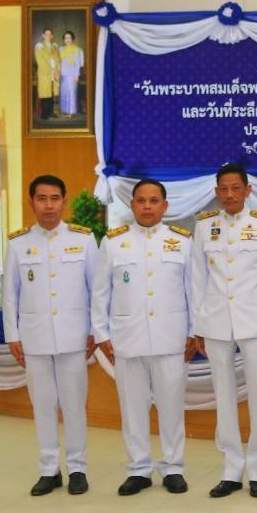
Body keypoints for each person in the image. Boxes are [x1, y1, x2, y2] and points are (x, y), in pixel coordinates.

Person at [91, 179, 197, 496]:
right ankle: (138, 469)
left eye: (154, 200)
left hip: (171, 338)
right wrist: (101, 333)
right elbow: (100, 293)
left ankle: (173, 467)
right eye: (141, 200)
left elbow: (194, 290)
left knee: (171, 406)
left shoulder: (182, 241)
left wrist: (193, 331)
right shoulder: (113, 243)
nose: (147, 206)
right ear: (132, 204)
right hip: (127, 338)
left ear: (165, 205)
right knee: (132, 408)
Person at [190, 164, 257, 498]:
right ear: (217, 192)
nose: (229, 195)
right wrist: (197, 326)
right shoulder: (204, 227)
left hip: (254, 322)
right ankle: (231, 469)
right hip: (215, 322)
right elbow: (196, 280)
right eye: (223, 189)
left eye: (235, 188)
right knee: (224, 397)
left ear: (247, 190)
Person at [2, 175, 98, 496]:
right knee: (42, 405)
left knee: (73, 405)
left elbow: (95, 290)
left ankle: (78, 468)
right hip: (34, 338)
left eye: (55, 198)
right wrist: (13, 335)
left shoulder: (84, 240)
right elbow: (10, 295)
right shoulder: (18, 243)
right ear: (32, 202)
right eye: (41, 198)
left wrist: (95, 330)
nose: (49, 205)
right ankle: (48, 469)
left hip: (74, 337)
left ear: (64, 201)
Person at [34, 27, 60, 120]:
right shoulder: (39, 46)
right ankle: (44, 115)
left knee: (52, 93)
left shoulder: (55, 47)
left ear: (52, 36)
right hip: (45, 73)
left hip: (54, 73)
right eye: (46, 34)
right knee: (45, 94)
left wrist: (56, 70)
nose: (48, 36)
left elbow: (58, 59)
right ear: (43, 36)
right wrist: (50, 70)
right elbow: (40, 61)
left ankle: (51, 112)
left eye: (50, 34)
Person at [58, 30, 84, 117]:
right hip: (63, 74)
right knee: (64, 92)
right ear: (64, 40)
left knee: (72, 93)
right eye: (66, 38)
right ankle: (65, 109)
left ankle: (71, 111)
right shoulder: (61, 49)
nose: (67, 39)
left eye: (69, 38)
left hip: (72, 75)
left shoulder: (77, 50)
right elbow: (58, 62)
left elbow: (78, 64)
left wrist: (76, 75)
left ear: (72, 39)